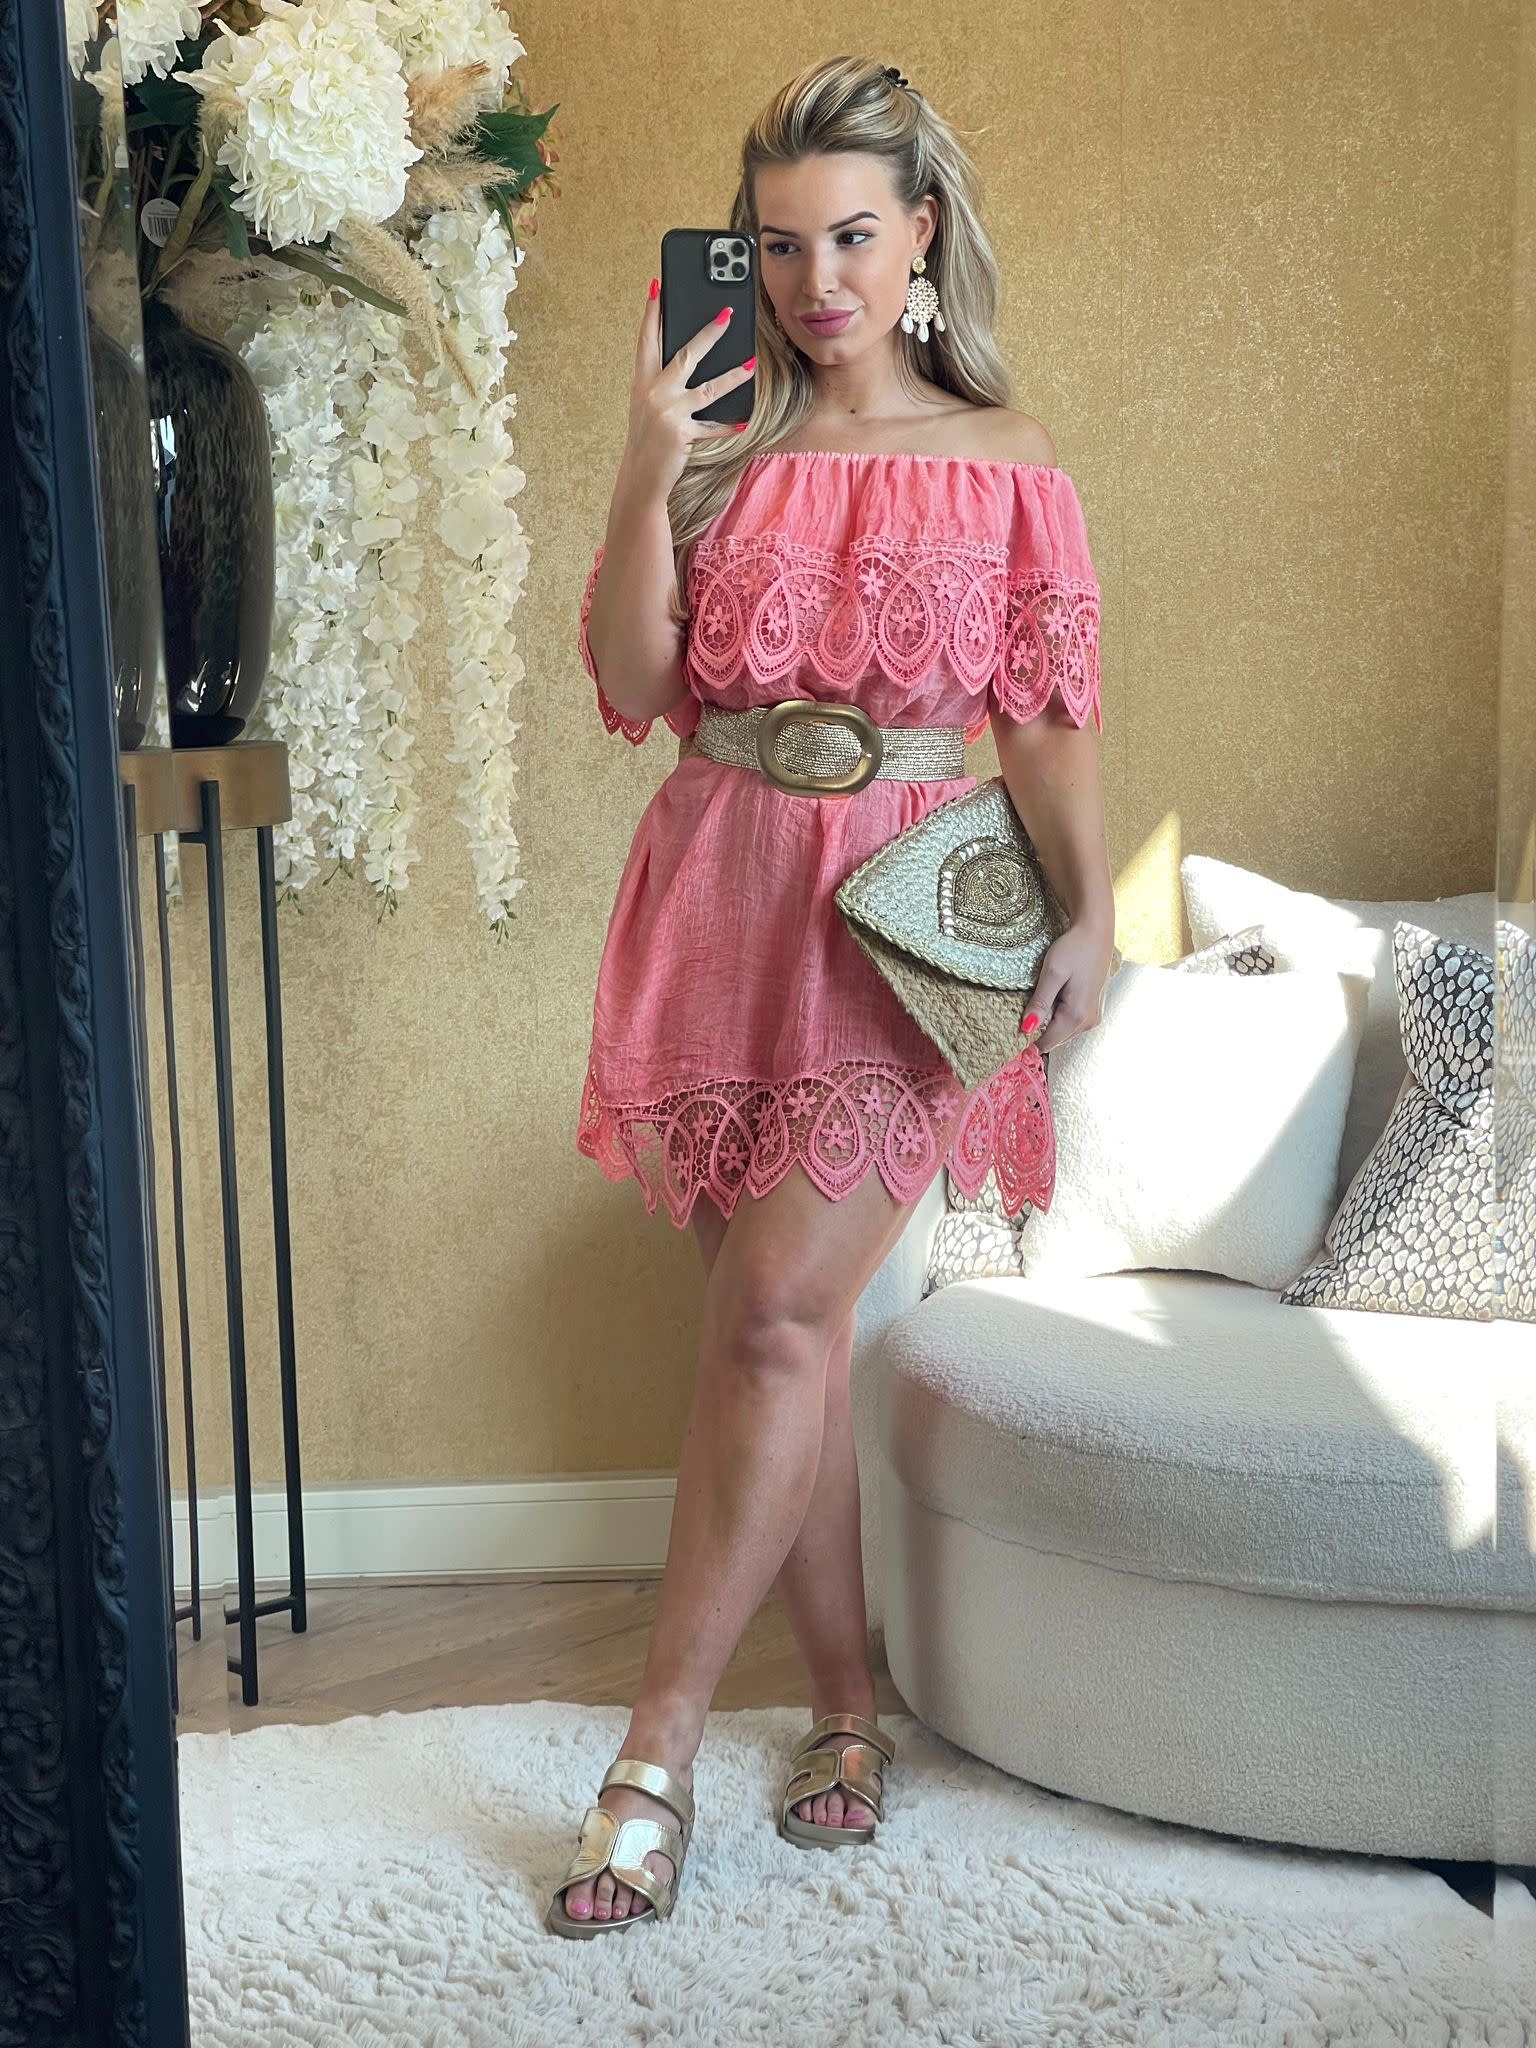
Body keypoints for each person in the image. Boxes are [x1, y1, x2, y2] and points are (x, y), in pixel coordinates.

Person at [548, 52, 1116, 1937]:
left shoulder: (1009, 458)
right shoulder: (719, 449)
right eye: (781, 246)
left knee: (780, 1320)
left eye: (855, 237)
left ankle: (652, 1757)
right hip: (721, 897)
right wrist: (649, 463)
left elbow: (1043, 714)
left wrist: (1092, 911)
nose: (817, 282)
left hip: (907, 922)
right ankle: (849, 1712)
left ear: (923, 233)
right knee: (763, 1336)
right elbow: (637, 685)